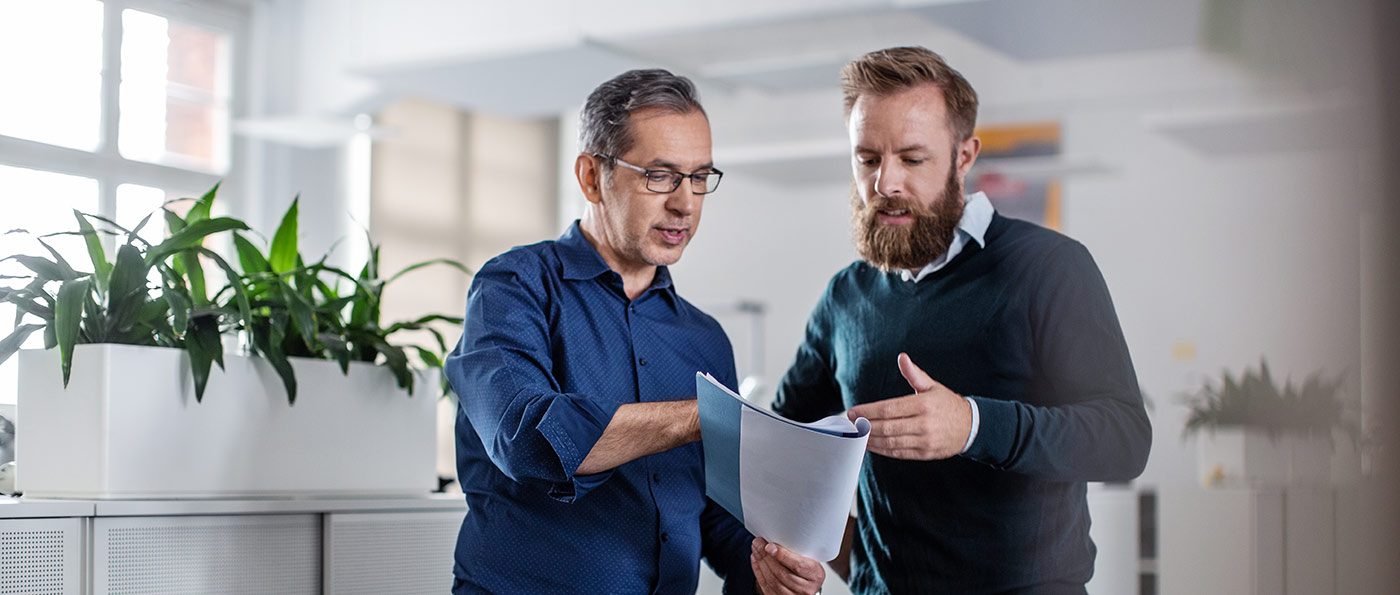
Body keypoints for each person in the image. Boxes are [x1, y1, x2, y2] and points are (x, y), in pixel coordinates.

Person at [756, 46, 1153, 594]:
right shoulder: (846, 296)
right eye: (867, 158)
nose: (885, 183)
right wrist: (810, 552)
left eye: (913, 159)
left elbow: (1125, 440)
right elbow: (786, 450)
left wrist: (972, 425)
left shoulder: (1048, 268)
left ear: (964, 156)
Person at [445, 69, 810, 594]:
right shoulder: (514, 287)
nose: (685, 202)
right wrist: (706, 415)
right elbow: (525, 439)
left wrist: (771, 568)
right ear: (592, 177)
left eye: (700, 176)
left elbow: (715, 517)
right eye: (660, 175)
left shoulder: (705, 340)